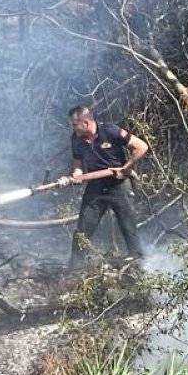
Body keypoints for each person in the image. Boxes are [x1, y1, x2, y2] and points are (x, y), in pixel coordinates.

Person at [62, 105, 149, 268]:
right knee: (83, 230)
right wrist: (76, 175)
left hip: (119, 185)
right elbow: (78, 164)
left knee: (127, 224)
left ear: (86, 123)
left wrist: (128, 166)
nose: (73, 128)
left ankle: (138, 264)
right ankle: (75, 268)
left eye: (74, 125)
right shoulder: (76, 139)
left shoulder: (111, 131)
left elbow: (142, 147)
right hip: (95, 188)